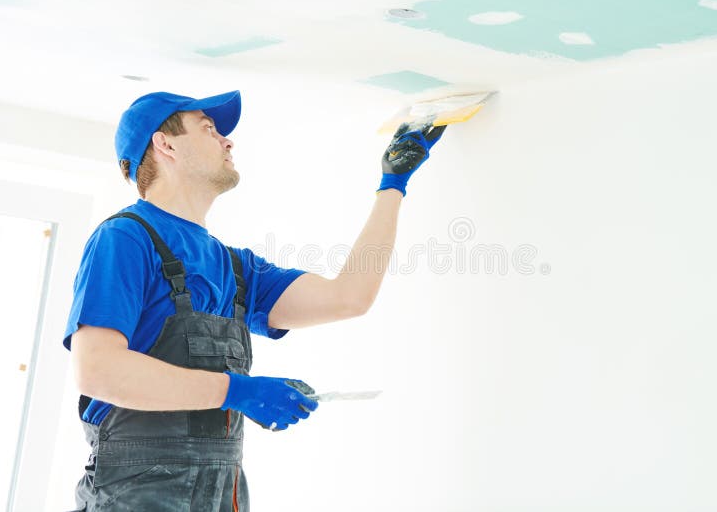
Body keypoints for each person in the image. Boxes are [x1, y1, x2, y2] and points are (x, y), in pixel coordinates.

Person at [63, 89, 446, 511]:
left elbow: (348, 297)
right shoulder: (125, 238)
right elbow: (98, 371)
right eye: (210, 130)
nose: (228, 141)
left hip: (222, 495)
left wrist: (392, 184)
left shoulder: (236, 268)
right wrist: (235, 390)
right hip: (133, 496)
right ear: (165, 144)